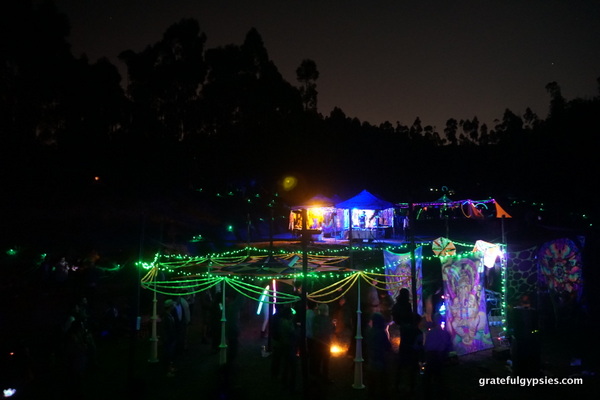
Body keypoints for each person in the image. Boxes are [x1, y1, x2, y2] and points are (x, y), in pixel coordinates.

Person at [422, 313, 453, 400]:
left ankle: (428, 394)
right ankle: (440, 393)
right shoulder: (445, 333)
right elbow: (449, 347)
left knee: (428, 377)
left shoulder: (430, 333)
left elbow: (426, 346)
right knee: (439, 377)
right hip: (440, 356)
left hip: (431, 356)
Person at [365, 312, 393, 399]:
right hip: (380, 359)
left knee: (372, 380)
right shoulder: (381, 333)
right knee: (382, 379)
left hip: (371, 359)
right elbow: (388, 346)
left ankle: (371, 395)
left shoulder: (369, 332)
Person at [396, 312, 423, 397]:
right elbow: (418, 346)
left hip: (403, 353)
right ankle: (411, 389)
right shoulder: (418, 332)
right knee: (412, 372)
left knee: (402, 370)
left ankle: (398, 387)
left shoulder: (404, 329)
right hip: (413, 355)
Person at [312, 303, 335, 384]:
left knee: (318, 360)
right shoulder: (328, 319)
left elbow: (314, 330)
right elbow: (330, 330)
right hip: (325, 343)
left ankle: (317, 377)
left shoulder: (316, 318)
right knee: (326, 361)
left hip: (317, 342)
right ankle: (325, 377)